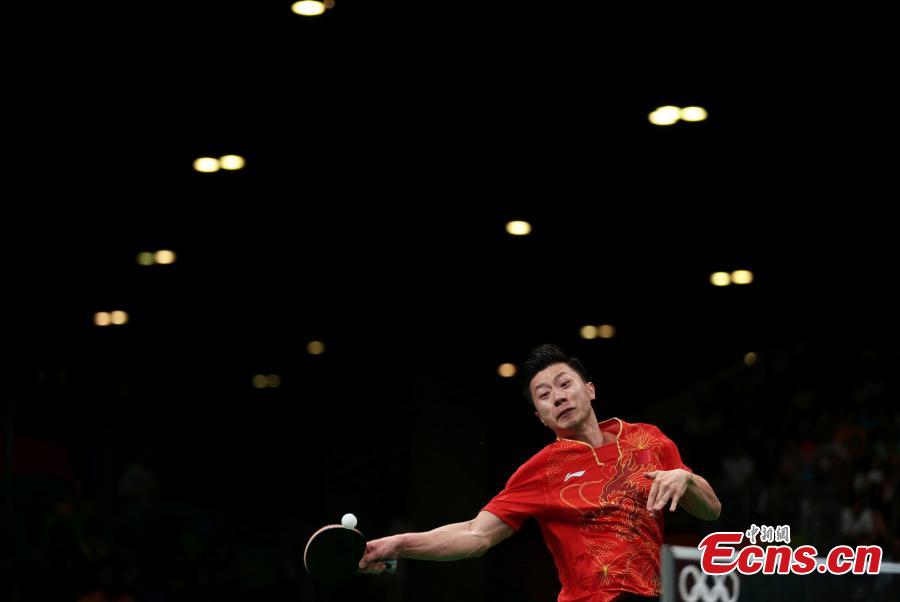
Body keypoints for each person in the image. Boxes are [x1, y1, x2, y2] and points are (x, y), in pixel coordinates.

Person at [360, 344, 722, 601]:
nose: (559, 397)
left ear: (589, 389)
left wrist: (686, 478)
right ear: (540, 417)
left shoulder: (648, 438)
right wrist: (399, 543)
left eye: (565, 384)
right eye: (544, 395)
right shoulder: (543, 469)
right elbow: (475, 534)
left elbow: (711, 510)